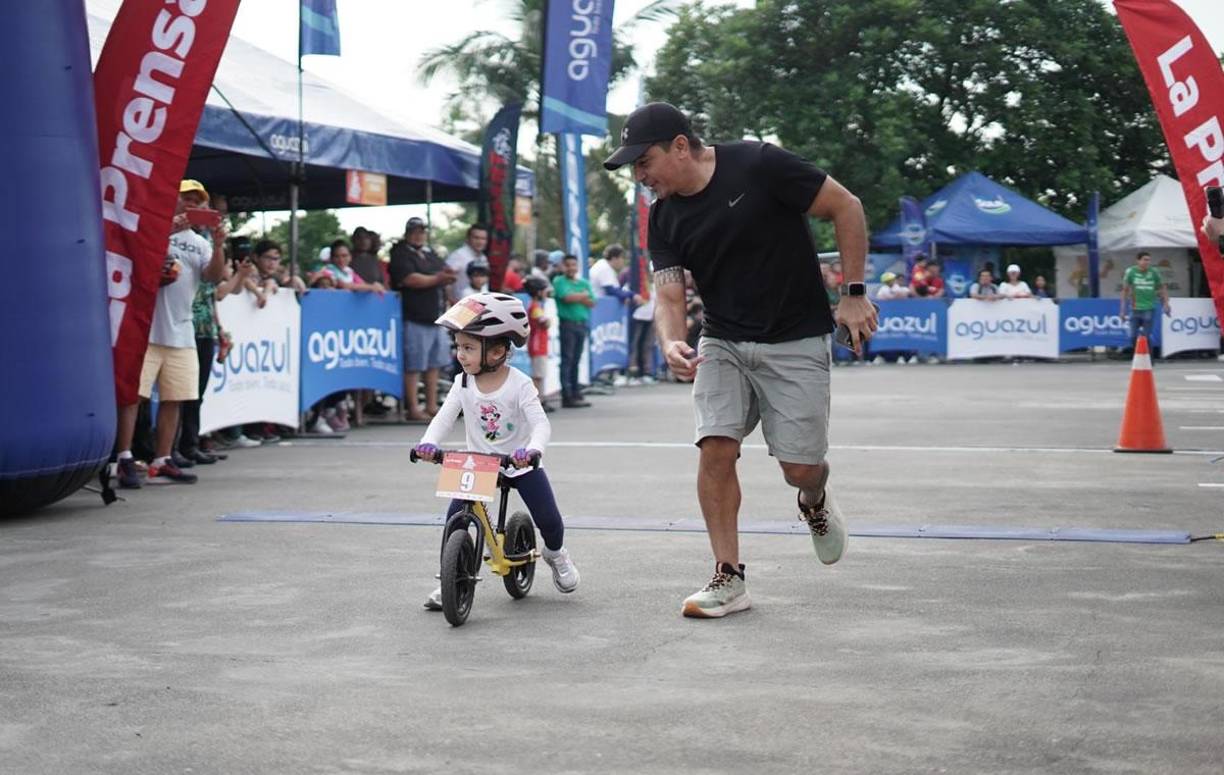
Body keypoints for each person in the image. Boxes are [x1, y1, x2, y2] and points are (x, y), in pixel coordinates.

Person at [604, 101, 876, 618]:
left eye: (644, 163)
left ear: (680, 146)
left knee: (798, 467)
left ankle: (814, 498)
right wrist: (669, 341)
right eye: (634, 168)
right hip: (722, 342)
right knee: (715, 448)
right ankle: (729, 577)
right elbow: (668, 294)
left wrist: (854, 292)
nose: (640, 177)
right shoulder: (663, 217)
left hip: (795, 338)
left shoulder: (759, 165)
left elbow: (847, 206)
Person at [413, 293, 580, 609]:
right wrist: (428, 443)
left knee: (549, 519)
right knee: (455, 521)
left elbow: (541, 424)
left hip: (518, 462)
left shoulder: (519, 384)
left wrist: (532, 450)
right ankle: (449, 577)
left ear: (498, 351)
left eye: (469, 348)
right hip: (477, 463)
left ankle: (557, 555)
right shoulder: (463, 382)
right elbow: (444, 416)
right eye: (459, 346)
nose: (460, 355)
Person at [114, 180, 228, 488]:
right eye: (186, 198)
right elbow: (135, 253)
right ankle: (123, 457)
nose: (192, 205)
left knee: (175, 398)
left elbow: (214, 278)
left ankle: (162, 460)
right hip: (145, 329)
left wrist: (218, 245)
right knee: (132, 397)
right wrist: (168, 228)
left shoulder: (200, 242)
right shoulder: (150, 226)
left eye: (197, 201)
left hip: (181, 330)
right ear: (172, 199)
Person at [389, 217, 457, 421]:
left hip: (435, 317)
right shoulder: (401, 254)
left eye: (422, 232)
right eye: (415, 231)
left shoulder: (430, 254)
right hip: (414, 316)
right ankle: (413, 408)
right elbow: (411, 279)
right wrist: (437, 278)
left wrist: (446, 282)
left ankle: (431, 405)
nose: (419, 235)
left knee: (434, 364)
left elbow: (446, 272)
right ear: (407, 233)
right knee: (414, 365)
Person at [551, 254, 596, 408]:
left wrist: (579, 297)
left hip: (581, 324)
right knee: (567, 359)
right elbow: (566, 298)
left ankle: (576, 392)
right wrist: (582, 295)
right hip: (567, 324)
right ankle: (567, 395)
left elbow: (592, 302)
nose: (571, 268)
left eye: (573, 265)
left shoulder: (584, 282)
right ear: (563, 266)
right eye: (568, 265)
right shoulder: (559, 281)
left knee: (576, 359)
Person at [1120, 251, 1170, 348]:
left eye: (1148, 260)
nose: (1147, 262)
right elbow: (1125, 291)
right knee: (1132, 336)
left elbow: (1162, 288)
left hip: (1149, 308)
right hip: (1135, 308)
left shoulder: (1154, 272)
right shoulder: (1130, 271)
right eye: (1144, 260)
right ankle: (1138, 358)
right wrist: (1122, 310)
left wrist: (1166, 304)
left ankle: (1149, 360)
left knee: (1146, 337)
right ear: (1138, 261)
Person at [524, 276, 554, 411]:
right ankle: (537, 401)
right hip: (537, 346)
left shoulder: (536, 306)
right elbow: (545, 323)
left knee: (540, 374)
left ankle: (541, 398)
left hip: (540, 345)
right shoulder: (535, 307)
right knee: (537, 375)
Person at [445, 223, 489, 302]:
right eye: (476, 238)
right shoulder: (458, 255)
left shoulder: (483, 258)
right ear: (468, 238)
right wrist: (452, 302)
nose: (480, 241)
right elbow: (446, 282)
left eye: (483, 238)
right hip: (461, 306)